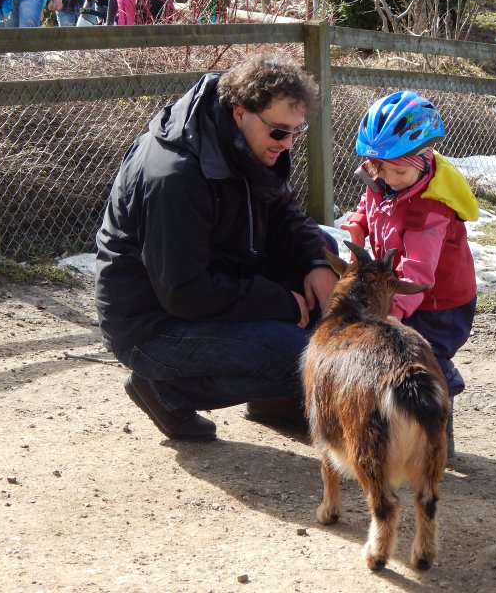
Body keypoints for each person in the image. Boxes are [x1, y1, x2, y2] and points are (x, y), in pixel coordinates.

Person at [95, 55, 338, 442]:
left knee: (323, 252)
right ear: (241, 112)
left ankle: (276, 401)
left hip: (216, 277)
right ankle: (165, 390)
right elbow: (184, 291)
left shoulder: (251, 142)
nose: (288, 144)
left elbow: (285, 213)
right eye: (280, 132)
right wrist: (283, 303)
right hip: (151, 325)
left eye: (296, 131)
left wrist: (315, 262)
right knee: (304, 358)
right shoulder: (174, 175)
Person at [340, 90, 479, 457]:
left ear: (425, 157)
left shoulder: (429, 209)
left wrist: (393, 312)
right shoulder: (384, 181)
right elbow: (368, 205)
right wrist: (358, 224)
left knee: (425, 357)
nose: (388, 178)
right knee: (395, 351)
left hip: (440, 302)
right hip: (403, 289)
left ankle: (439, 423)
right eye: (379, 169)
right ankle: (404, 424)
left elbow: (418, 270)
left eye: (398, 171)